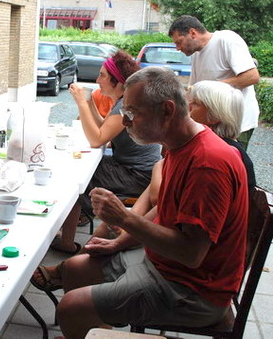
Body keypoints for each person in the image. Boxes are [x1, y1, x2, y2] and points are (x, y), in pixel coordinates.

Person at [33, 67, 249, 339]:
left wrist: (124, 219)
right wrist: (119, 242)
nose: (125, 121)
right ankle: (98, 330)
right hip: (162, 264)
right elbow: (165, 209)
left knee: (72, 307)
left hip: (193, 290)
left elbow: (191, 254)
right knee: (76, 268)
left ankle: (90, 325)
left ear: (167, 110)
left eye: (132, 113)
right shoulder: (178, 144)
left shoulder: (208, 163)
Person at [86, 79, 256, 242]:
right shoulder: (192, 145)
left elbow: (159, 198)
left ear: (214, 116)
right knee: (106, 230)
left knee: (105, 232)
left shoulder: (214, 156)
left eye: (194, 103)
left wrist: (128, 221)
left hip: (201, 251)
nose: (186, 108)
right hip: (172, 230)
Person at [51, 51, 161, 254]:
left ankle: (66, 240)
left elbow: (97, 139)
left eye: (102, 75)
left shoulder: (125, 106)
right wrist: (91, 104)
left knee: (76, 179)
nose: (97, 80)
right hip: (135, 168)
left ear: (117, 81)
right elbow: (105, 129)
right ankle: (73, 225)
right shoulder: (123, 102)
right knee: (79, 173)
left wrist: (82, 104)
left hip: (136, 174)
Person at [168, 15, 260, 149]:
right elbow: (193, 89)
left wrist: (211, 89)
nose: (177, 48)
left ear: (193, 33)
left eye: (179, 42)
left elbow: (252, 76)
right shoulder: (196, 55)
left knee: (232, 163)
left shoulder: (227, 40)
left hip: (235, 122)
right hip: (212, 123)